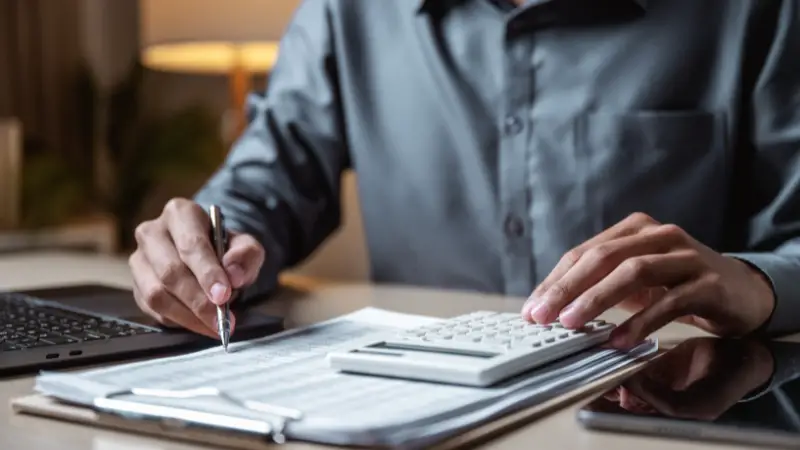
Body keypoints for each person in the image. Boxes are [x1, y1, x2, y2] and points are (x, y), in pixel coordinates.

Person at [128, 0, 800, 347]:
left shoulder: (756, 13)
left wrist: (758, 286)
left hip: (662, 413)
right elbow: (261, 189)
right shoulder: (347, 12)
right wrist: (204, 250)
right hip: (402, 413)